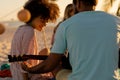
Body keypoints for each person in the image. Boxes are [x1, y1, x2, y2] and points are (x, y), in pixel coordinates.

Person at [21, 0, 120, 80]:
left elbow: (49, 65)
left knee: (57, 67)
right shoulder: (117, 21)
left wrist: (30, 69)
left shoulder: (65, 25)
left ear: (78, 3)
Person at [10, 0, 59, 80]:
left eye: (46, 21)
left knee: (46, 51)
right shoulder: (30, 31)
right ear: (32, 15)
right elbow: (25, 60)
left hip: (16, 72)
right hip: (27, 76)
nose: (45, 24)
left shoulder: (20, 29)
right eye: (42, 19)